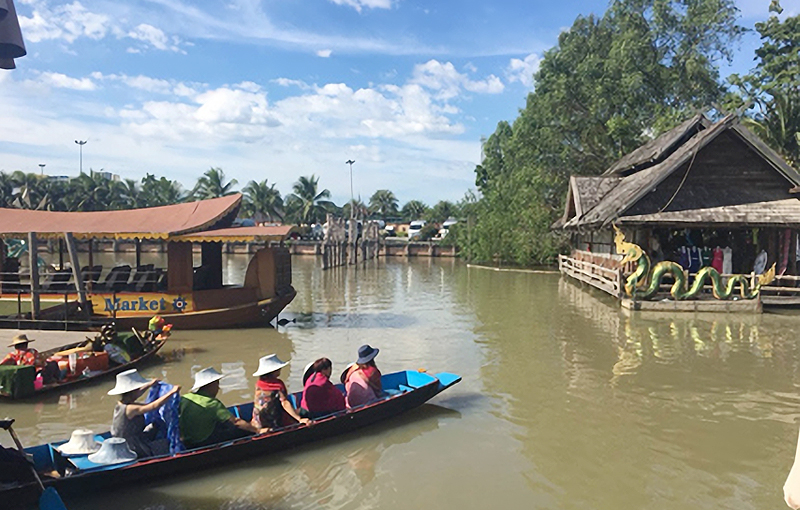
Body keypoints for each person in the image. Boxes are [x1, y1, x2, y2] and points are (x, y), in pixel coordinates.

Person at [179, 367, 264, 449]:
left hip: (187, 440)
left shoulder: (185, 398)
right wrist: (257, 430)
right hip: (203, 441)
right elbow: (235, 422)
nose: (218, 388)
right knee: (242, 429)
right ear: (210, 385)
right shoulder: (212, 403)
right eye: (217, 384)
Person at [108, 369, 180, 458]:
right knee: (164, 445)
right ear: (132, 392)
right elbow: (154, 406)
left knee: (154, 426)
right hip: (132, 445)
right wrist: (172, 392)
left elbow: (136, 394)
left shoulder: (121, 403)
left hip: (125, 438)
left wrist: (149, 384)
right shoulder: (131, 408)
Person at [251, 354, 310, 430]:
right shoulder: (277, 385)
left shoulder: (258, 383)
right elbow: (284, 403)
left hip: (257, 421)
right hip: (273, 422)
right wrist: (299, 419)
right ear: (273, 371)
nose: (280, 369)